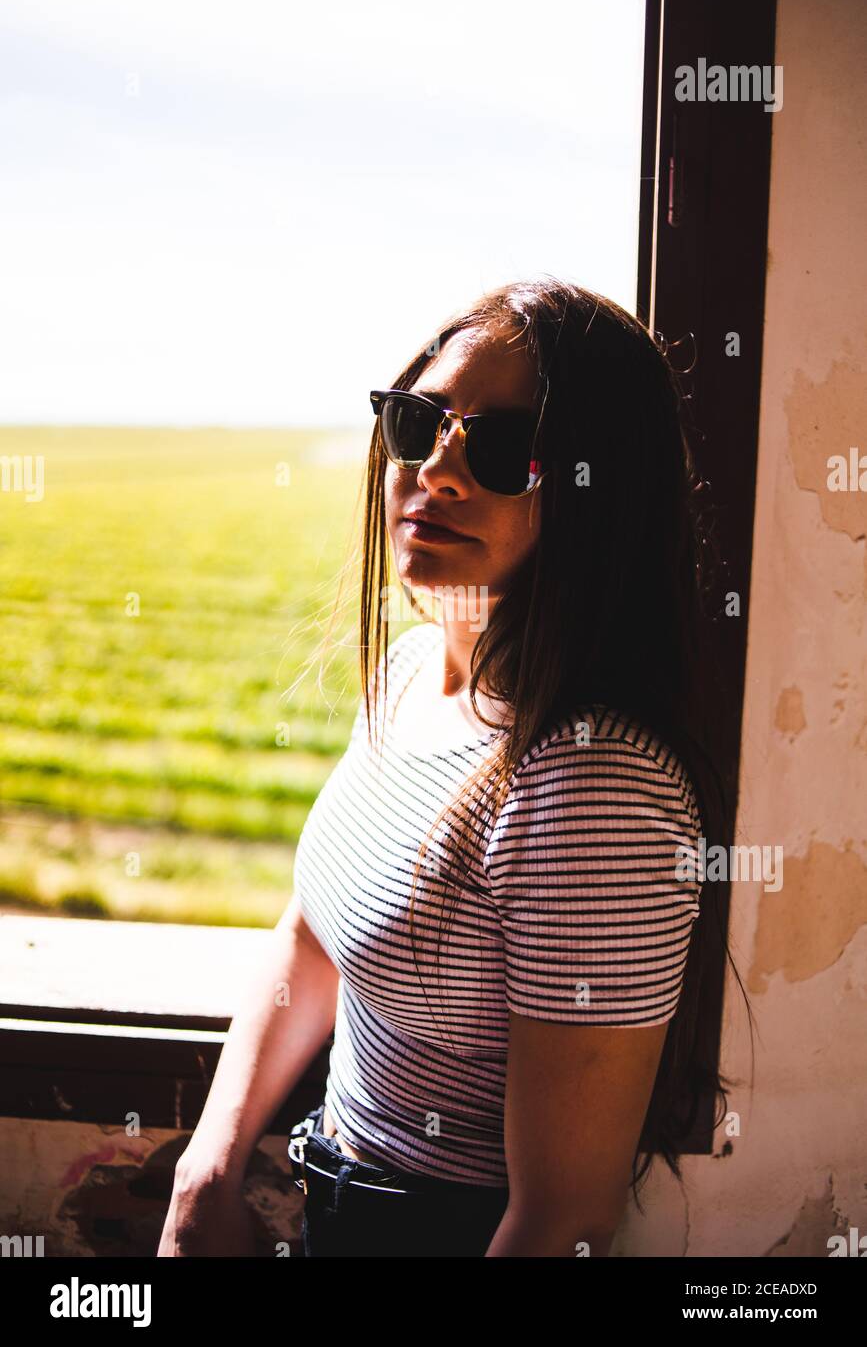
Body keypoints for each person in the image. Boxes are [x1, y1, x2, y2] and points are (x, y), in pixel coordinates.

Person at [158, 276, 748, 1258]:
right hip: (328, 1203)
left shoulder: (593, 787)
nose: (436, 468)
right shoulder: (409, 677)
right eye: (419, 421)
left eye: (506, 447)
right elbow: (314, 935)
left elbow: (563, 1220)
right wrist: (206, 1171)